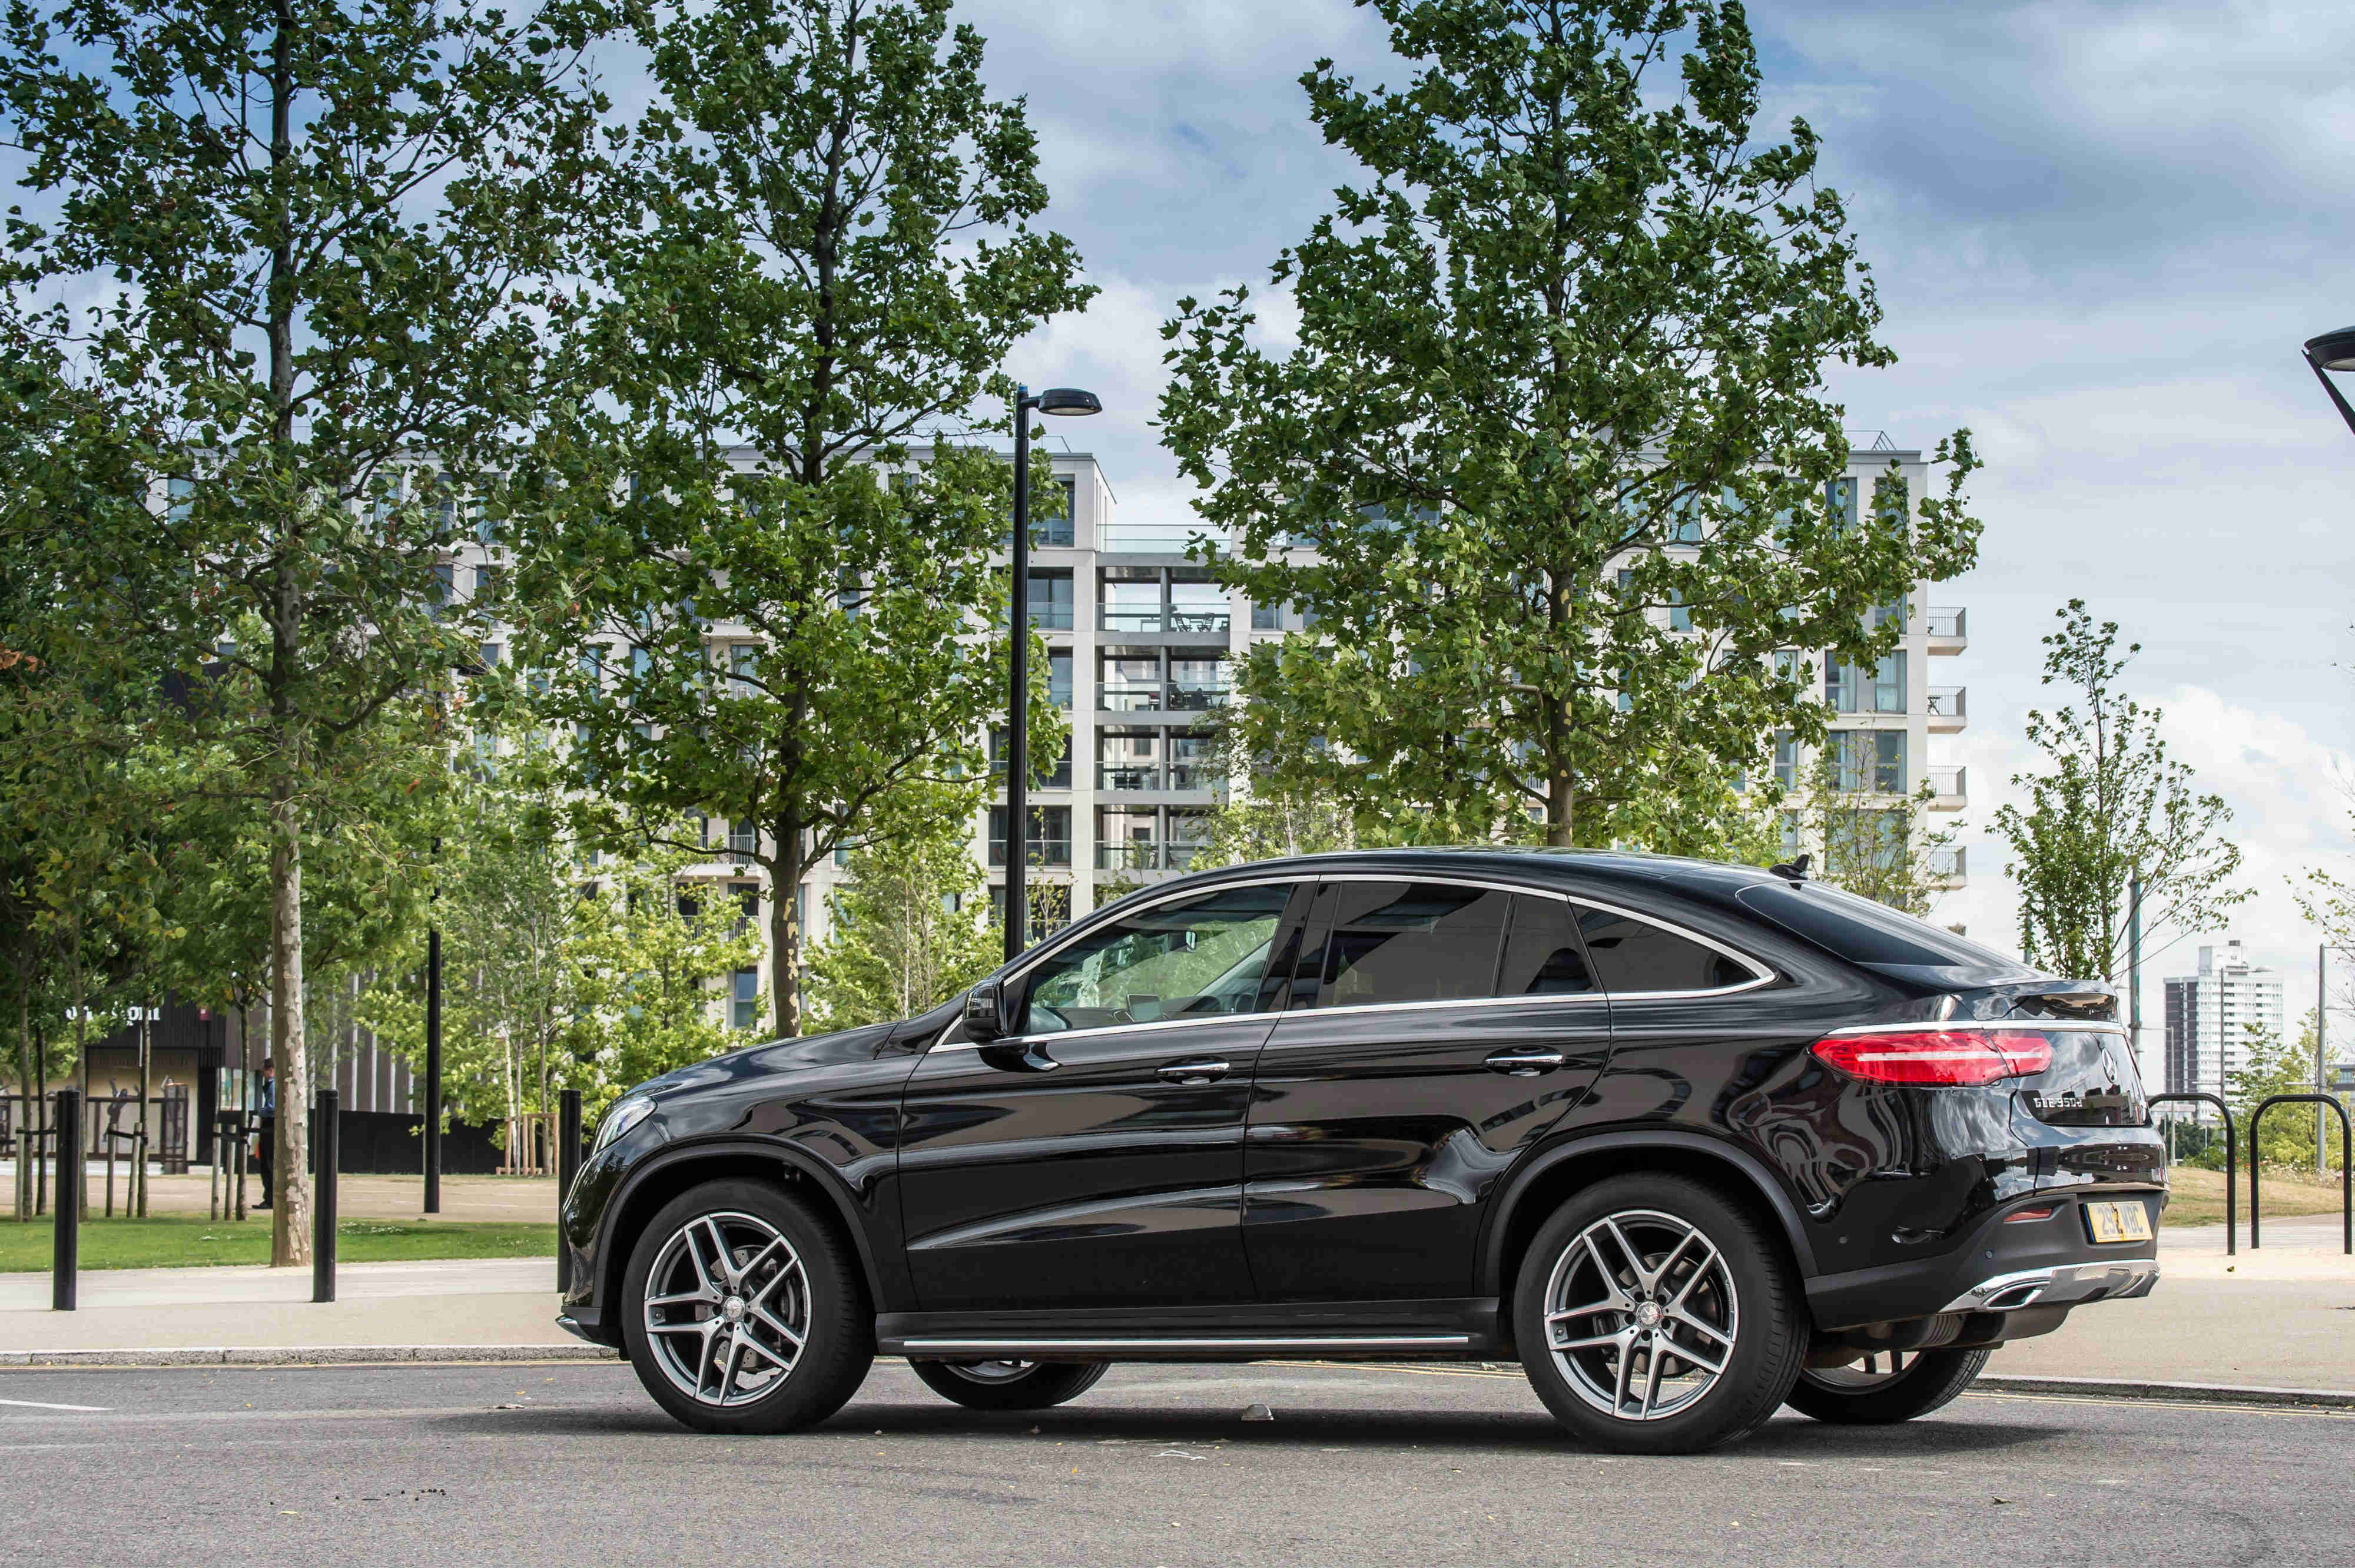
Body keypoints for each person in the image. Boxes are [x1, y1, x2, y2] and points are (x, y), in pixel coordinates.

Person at [253, 1059, 276, 1209]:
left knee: (268, 1164)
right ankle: (269, 1197)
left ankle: (270, 1199)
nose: (262, 1073)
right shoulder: (271, 1086)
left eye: (264, 1070)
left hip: (270, 1125)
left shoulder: (273, 1086)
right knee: (267, 1164)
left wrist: (260, 1112)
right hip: (269, 1126)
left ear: (271, 1070)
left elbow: (272, 1108)